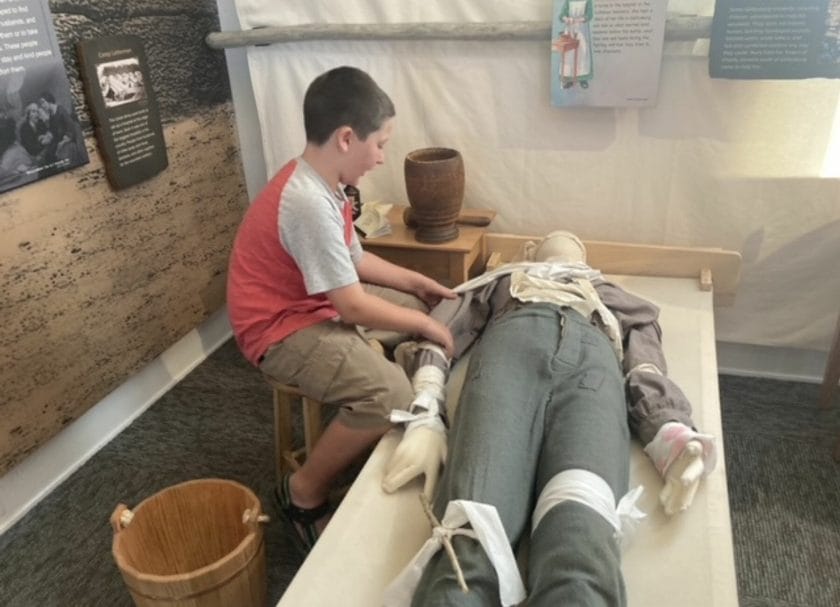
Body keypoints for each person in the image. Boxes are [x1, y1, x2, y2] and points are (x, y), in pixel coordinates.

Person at [381, 231, 716, 606]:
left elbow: (646, 365)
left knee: (580, 545)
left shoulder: (614, 297)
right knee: (472, 536)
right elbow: (440, 334)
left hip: (592, 371)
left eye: (574, 249)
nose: (562, 253)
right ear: (531, 254)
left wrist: (668, 430)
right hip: (509, 358)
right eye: (552, 247)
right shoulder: (501, 282)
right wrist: (426, 412)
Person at [226, 66, 456, 554]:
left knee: (419, 307)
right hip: (277, 330)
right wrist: (418, 322)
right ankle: (303, 492)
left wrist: (419, 285)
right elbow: (350, 304)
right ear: (347, 138)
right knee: (389, 391)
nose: (381, 157)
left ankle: (371, 416)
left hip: (309, 304)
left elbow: (354, 259)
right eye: (380, 144)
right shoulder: (306, 200)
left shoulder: (326, 185)